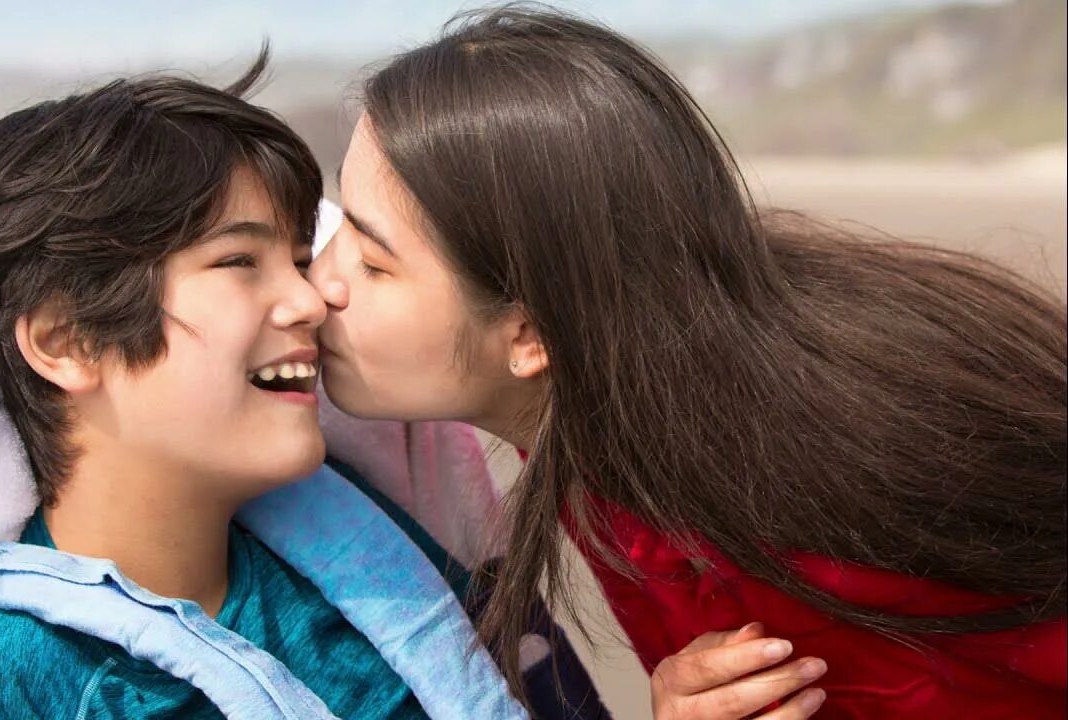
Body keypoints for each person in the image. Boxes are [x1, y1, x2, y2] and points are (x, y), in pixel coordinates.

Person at [309, 6, 1067, 719]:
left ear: (530, 333)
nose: (318, 279)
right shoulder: (645, 427)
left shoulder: (777, 500)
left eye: (372, 263)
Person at [0, 56, 533, 719]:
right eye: (239, 261)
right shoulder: (5, 682)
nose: (310, 300)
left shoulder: (364, 549)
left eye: (297, 260)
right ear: (70, 342)